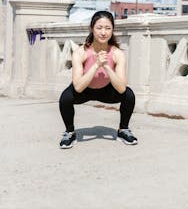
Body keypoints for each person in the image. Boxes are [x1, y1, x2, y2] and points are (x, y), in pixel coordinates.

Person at [58, 10, 138, 149]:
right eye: (99, 28)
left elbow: (121, 88)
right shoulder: (80, 52)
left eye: (108, 28)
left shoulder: (118, 54)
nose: (103, 32)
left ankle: (123, 130)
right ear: (92, 29)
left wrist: (106, 66)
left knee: (129, 95)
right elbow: (78, 87)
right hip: (85, 89)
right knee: (65, 98)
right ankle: (70, 132)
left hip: (106, 90)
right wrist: (96, 65)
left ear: (112, 30)